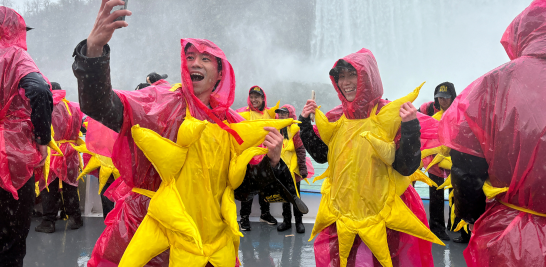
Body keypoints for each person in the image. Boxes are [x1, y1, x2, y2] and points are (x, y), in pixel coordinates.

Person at [73, 1, 304, 265]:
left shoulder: (230, 124)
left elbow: (241, 189)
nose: (195, 63)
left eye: (205, 59)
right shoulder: (159, 104)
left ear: (219, 73)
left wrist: (271, 161)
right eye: (190, 57)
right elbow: (101, 106)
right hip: (153, 231)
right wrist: (94, 50)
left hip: (210, 243)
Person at [299, 49, 442, 267]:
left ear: (368, 77)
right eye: (341, 76)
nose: (345, 82)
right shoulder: (337, 117)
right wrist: (304, 123)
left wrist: (410, 127)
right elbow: (321, 156)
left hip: (383, 217)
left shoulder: (390, 115)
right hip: (343, 215)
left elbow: (406, 167)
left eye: (352, 75)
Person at [439, 1, 546, 266]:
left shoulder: (493, 84)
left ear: (522, 32)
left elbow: (465, 164)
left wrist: (471, 214)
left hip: (510, 236)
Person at [0, 7, 53, 266]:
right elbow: (41, 90)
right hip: (12, 154)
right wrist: (42, 138)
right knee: (11, 240)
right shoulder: (15, 55)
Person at [418, 82, 467, 242]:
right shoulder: (432, 116)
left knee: (457, 196)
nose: (442, 101)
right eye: (440, 98)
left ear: (452, 97)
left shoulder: (461, 116)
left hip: (455, 164)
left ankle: (455, 226)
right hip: (435, 165)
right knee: (436, 197)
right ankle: (437, 228)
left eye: (446, 98)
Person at [34, 82, 84, 233]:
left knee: (49, 187)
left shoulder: (47, 107)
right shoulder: (74, 108)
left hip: (52, 151)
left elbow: (39, 130)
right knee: (70, 186)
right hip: (70, 151)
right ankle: (75, 218)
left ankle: (48, 221)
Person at [236, 86, 280, 230]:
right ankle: (244, 218)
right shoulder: (242, 113)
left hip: (265, 158)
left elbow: (282, 124)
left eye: (257, 97)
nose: (254, 100)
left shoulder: (270, 114)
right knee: (247, 189)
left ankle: (265, 214)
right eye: (252, 97)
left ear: (263, 98)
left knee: (265, 188)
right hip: (249, 159)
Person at [275, 105, 308, 233]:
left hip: (293, 170)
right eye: (280, 114)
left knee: (296, 196)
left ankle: (299, 222)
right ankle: (287, 222)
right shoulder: (276, 129)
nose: (281, 116)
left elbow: (300, 150)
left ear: (290, 115)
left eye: (284, 113)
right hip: (281, 169)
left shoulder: (295, 130)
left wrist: (302, 168)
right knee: (285, 197)